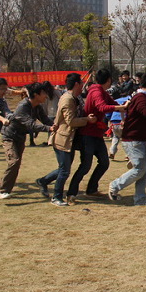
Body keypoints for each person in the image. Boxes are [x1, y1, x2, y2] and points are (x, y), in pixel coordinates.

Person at [67, 69, 128, 203]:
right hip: (87, 134)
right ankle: (71, 193)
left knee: (104, 162)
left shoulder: (102, 92)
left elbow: (112, 103)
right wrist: (119, 108)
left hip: (96, 134)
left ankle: (91, 189)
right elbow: (102, 107)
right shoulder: (96, 91)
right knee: (85, 166)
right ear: (108, 80)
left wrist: (125, 106)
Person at [36, 73, 97, 207]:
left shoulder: (75, 98)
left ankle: (43, 181)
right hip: (62, 139)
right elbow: (71, 121)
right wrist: (87, 120)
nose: (83, 86)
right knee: (64, 170)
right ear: (76, 84)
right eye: (81, 83)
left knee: (64, 168)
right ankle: (56, 197)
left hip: (69, 139)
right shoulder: (68, 99)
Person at [107, 72, 146, 205]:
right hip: (133, 139)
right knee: (140, 169)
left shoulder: (141, 97)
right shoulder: (141, 98)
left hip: (140, 139)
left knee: (145, 172)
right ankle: (115, 186)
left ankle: (140, 199)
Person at [0, 83, 55, 199]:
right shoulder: (23, 107)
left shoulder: (37, 106)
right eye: (43, 93)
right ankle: (1, 189)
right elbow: (31, 125)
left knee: (16, 164)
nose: (45, 96)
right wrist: (49, 129)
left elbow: (45, 119)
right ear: (35, 95)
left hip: (20, 137)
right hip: (9, 137)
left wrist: (55, 125)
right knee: (14, 161)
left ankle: (0, 187)